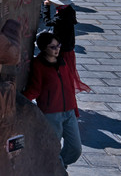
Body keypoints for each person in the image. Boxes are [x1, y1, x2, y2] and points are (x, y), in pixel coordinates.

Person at [24, 32, 83, 169]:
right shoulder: (38, 65)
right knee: (52, 147)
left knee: (75, 149)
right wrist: (22, 100)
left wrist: (74, 108)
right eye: (53, 47)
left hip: (69, 111)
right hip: (51, 114)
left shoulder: (63, 61)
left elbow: (69, 86)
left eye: (58, 46)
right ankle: (53, 169)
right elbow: (35, 88)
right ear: (44, 48)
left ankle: (58, 165)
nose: (57, 49)